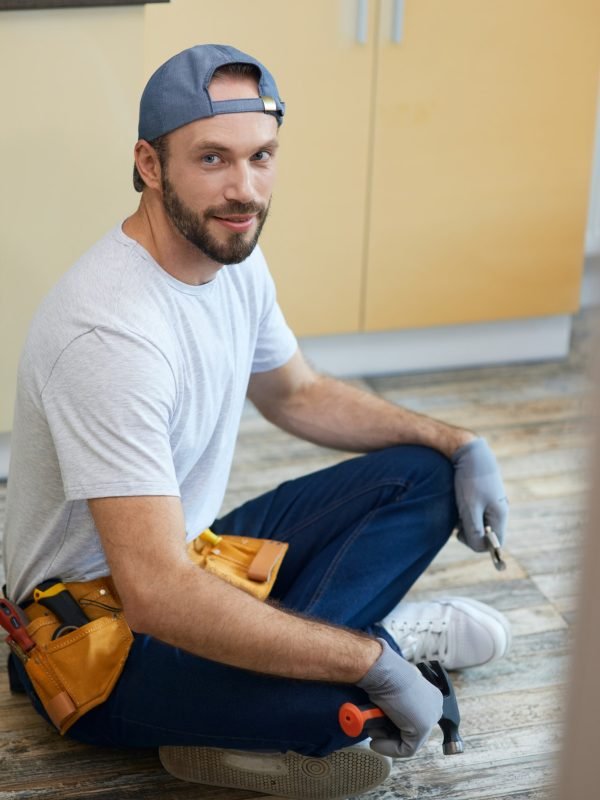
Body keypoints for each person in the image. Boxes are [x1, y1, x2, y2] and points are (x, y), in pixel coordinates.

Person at [3, 44, 510, 799]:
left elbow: (297, 394)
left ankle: (292, 681)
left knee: (423, 473)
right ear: (149, 163)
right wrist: (370, 662)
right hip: (94, 646)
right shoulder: (108, 334)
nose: (244, 189)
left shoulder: (229, 252)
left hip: (197, 561)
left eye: (261, 156)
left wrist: (459, 442)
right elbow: (155, 597)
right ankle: (373, 641)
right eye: (212, 159)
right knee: (350, 713)